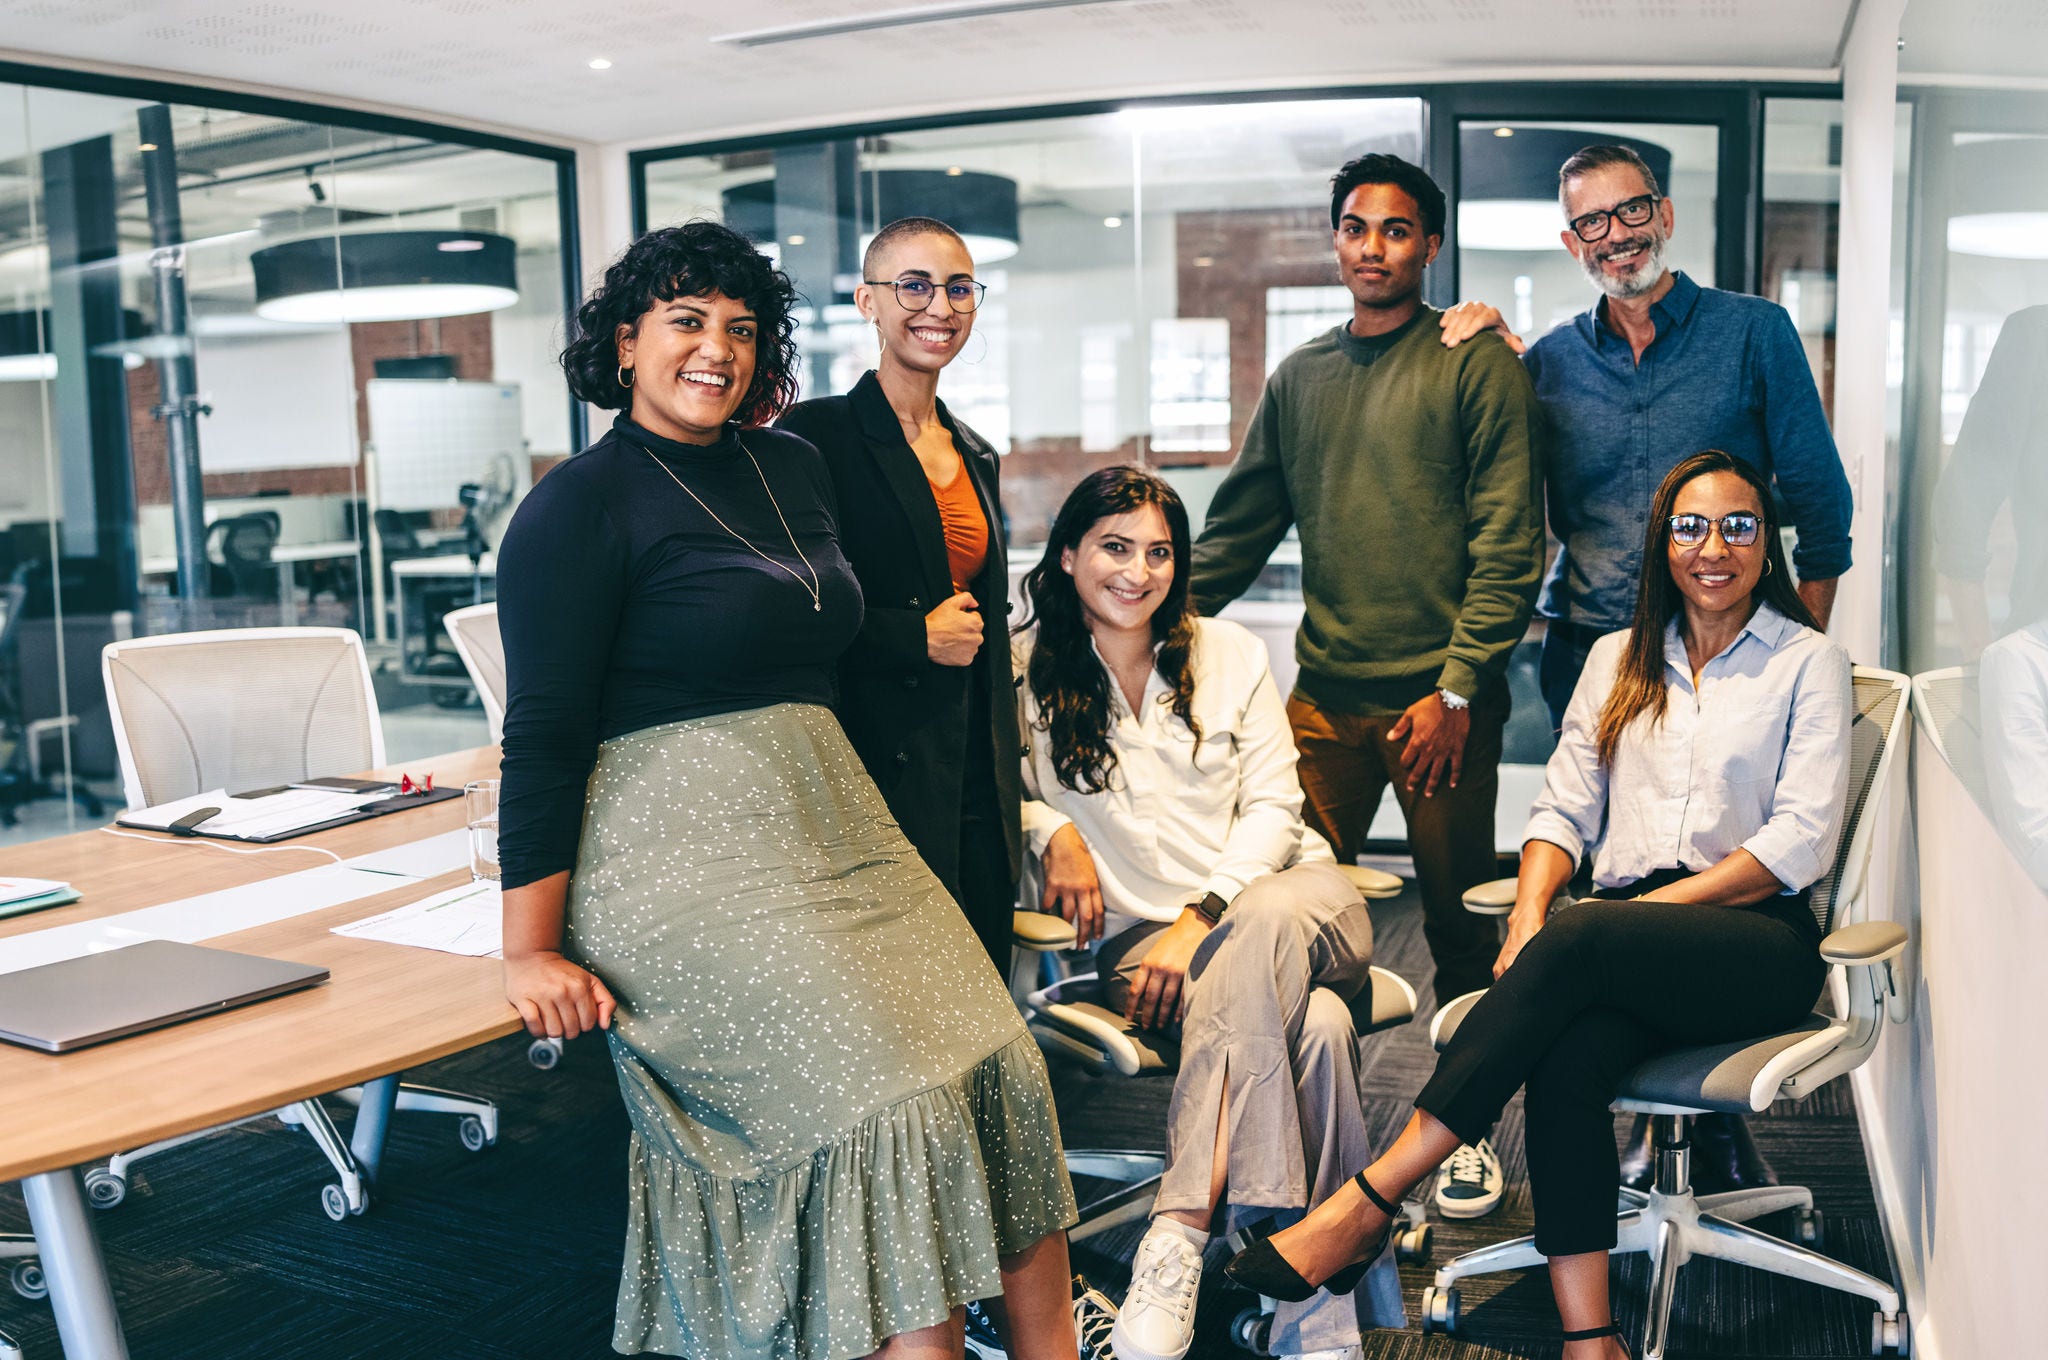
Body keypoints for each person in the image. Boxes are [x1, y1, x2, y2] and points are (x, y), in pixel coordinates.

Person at [492, 221, 1084, 1360]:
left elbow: (847, 641)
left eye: (739, 326)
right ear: (624, 343)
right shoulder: (577, 506)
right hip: (674, 851)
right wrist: (528, 945)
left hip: (831, 824)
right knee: (890, 1104)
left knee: (1001, 1062)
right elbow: (545, 735)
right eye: (683, 321)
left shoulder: (792, 466)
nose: (714, 348)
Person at [1220, 450, 1851, 1360]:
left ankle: (1368, 1200)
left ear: (1768, 543)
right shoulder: (1615, 659)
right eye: (1691, 526)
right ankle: (1589, 1337)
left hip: (1753, 940)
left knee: (1588, 929)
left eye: (1739, 526)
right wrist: (1525, 921)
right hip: (1623, 939)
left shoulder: (1809, 663)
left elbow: (1796, 844)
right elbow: (1561, 809)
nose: (1714, 548)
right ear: (1662, 542)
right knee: (1567, 1059)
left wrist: (1643, 912)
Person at [1441, 142, 1856, 1198]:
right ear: (1569, 241)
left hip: (1736, 649)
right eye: (1591, 223)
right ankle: (1625, 1110)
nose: (1614, 237)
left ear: (1661, 215)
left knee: (1704, 866)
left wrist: (1779, 650)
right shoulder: (1544, 363)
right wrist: (1486, 341)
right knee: (1611, 865)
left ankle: (1708, 1129)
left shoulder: (1749, 333)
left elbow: (1818, 505)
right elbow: (1505, 493)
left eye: (1630, 214)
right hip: (1596, 650)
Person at [1190, 152, 1546, 1222]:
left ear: (1427, 245)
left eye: (1396, 230)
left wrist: (1454, 686)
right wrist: (1133, 611)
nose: (1372, 248)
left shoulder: (1472, 363)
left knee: (1451, 926)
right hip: (1322, 698)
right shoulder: (1300, 377)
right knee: (1281, 911)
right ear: (1334, 240)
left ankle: (1467, 1135)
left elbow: (1506, 540)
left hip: (1437, 704)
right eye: (1354, 228)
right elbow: (1239, 528)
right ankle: (1291, 1126)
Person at [1015, 467, 1402, 1360]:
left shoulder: (1230, 652)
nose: (1137, 571)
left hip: (1292, 901)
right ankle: (1315, 1305)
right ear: (1068, 554)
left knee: (1261, 929)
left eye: (1158, 552)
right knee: (1324, 1031)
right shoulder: (1023, 671)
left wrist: (1204, 915)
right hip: (1143, 945)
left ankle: (1178, 1230)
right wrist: (1049, 832)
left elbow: (1276, 809)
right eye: (1115, 547)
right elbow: (990, 795)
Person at [778, 217, 1020, 972]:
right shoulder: (813, 438)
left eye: (957, 288)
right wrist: (913, 637)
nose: (939, 307)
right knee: (902, 991)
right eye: (913, 286)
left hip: (975, 757)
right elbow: (787, 611)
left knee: (981, 978)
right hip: (876, 758)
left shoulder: (975, 450)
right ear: (867, 302)